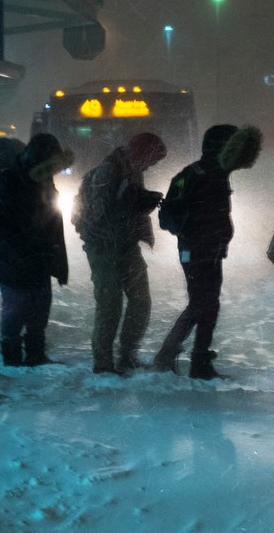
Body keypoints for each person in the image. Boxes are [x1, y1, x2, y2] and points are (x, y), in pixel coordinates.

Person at [152, 124, 261, 379]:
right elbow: (171, 216)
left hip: (207, 250)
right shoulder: (200, 174)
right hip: (197, 251)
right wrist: (196, 236)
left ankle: (192, 360)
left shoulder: (212, 172)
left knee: (206, 304)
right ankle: (180, 359)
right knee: (203, 303)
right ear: (223, 148)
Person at [73, 132, 167, 375]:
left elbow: (125, 206)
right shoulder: (108, 171)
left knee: (141, 301)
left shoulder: (133, 170)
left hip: (126, 246)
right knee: (110, 304)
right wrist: (137, 204)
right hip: (103, 248)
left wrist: (142, 201)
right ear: (141, 152)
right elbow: (99, 215)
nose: (151, 165)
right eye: (151, 159)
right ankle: (103, 364)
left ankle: (127, 356)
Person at [0, 133, 72, 366]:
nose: (54, 171)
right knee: (16, 306)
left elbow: (53, 223)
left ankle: (35, 354)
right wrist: (19, 249)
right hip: (14, 259)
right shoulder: (8, 180)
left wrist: (56, 260)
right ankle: (11, 358)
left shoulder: (42, 180)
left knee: (40, 305)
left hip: (37, 256)